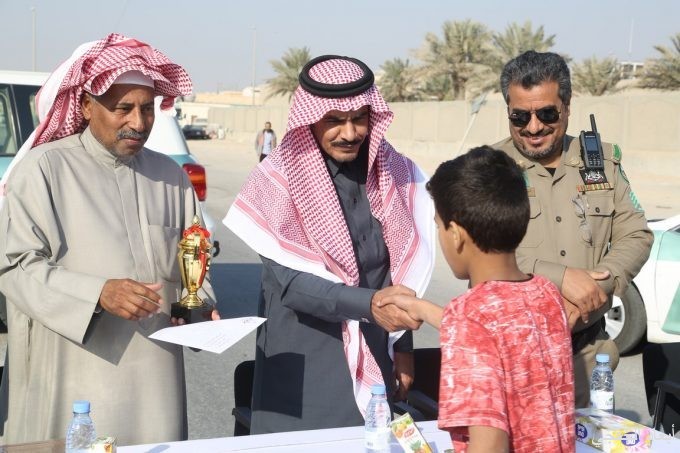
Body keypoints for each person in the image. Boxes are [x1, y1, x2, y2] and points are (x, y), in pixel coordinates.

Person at [0, 33, 216, 445]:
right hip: (72, 368)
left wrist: (201, 305)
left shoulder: (170, 177)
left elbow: (196, 260)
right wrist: (98, 293)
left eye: (147, 109)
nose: (139, 122)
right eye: (124, 109)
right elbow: (15, 267)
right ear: (86, 106)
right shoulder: (44, 169)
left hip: (156, 378)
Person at [224, 55, 435, 433]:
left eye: (359, 118)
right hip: (306, 371)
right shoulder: (277, 180)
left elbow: (401, 271)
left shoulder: (393, 171)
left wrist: (402, 349)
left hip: (377, 353)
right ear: (310, 120)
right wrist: (370, 306)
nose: (350, 133)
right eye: (334, 120)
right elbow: (293, 284)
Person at [380, 146, 575, 452]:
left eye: (438, 226)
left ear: (456, 234)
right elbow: (500, 329)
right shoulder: (547, 294)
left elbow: (490, 443)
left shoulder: (469, 317)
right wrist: (421, 308)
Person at [493, 51, 653, 408]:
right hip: (514, 361)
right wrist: (561, 277)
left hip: (587, 358)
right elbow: (479, 251)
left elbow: (636, 234)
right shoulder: (488, 169)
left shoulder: (602, 163)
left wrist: (599, 285)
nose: (534, 127)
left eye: (547, 114)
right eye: (520, 116)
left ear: (566, 107)